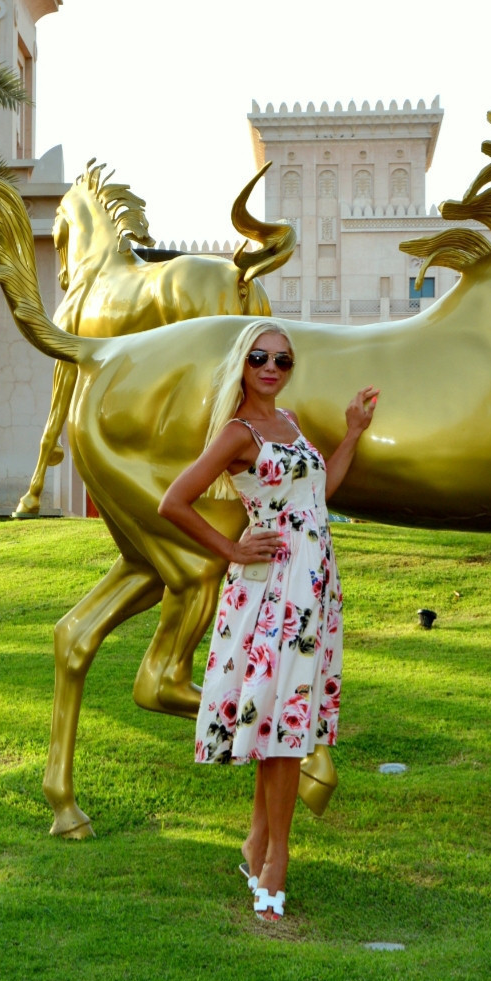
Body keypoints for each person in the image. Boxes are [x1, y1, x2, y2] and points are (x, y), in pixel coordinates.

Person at [158, 319, 378, 920]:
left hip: (314, 587)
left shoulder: (292, 425)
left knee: (288, 716)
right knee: (284, 722)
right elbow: (173, 501)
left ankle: (257, 841)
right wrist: (232, 549)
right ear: (244, 363)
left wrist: (352, 434)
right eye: (260, 358)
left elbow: (318, 496)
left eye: (283, 360)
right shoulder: (238, 432)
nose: (272, 369)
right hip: (272, 592)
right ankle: (276, 855)